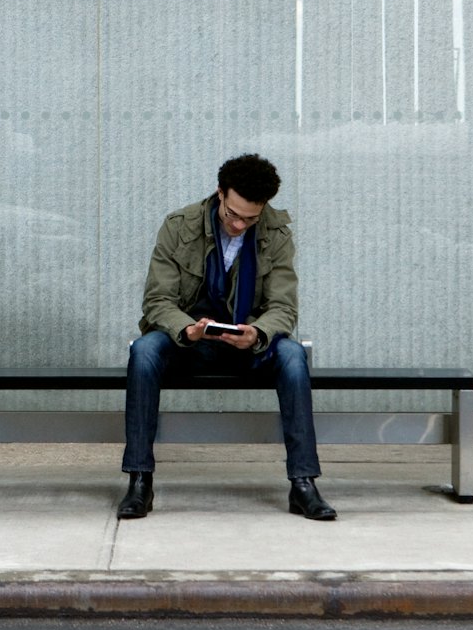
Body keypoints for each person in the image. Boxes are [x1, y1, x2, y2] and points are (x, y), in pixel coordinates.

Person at [118, 153, 336, 521]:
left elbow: (284, 307)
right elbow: (157, 301)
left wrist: (259, 333)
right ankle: (140, 479)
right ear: (220, 193)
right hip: (188, 340)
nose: (238, 225)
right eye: (232, 214)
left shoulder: (276, 234)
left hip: (247, 343)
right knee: (144, 351)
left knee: (293, 356)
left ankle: (303, 483)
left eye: (250, 218)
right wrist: (186, 329)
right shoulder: (179, 226)